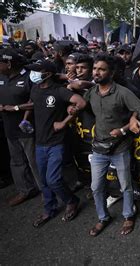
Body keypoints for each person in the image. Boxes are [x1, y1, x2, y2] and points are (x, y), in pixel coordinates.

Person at [84, 55, 140, 237]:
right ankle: (103, 218)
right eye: (95, 68)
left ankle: (129, 215)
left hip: (120, 148)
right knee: (96, 187)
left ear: (111, 73)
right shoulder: (91, 92)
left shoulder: (122, 92)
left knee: (125, 185)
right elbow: (82, 104)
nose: (96, 72)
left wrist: (124, 129)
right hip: (98, 149)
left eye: (101, 69)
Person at [27, 59, 86, 227]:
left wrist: (65, 121)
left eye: (37, 71)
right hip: (40, 143)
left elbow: (81, 103)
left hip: (56, 143)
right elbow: (32, 106)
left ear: (47, 74)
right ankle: (49, 209)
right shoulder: (35, 90)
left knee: (53, 179)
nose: (34, 74)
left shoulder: (59, 91)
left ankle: (71, 201)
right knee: (44, 181)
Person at [0, 49, 41, 206]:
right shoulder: (2, 77)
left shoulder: (29, 77)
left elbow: (36, 101)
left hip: (27, 127)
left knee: (34, 161)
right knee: (16, 161)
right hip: (9, 129)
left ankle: (47, 191)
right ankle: (26, 190)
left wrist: (17, 109)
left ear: (9, 63)